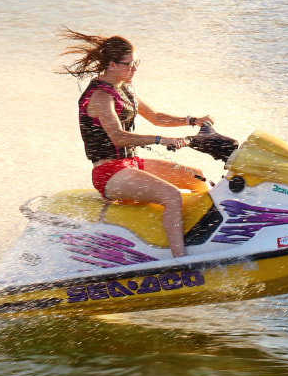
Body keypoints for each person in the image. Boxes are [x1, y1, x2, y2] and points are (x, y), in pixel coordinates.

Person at [59, 28, 213, 258]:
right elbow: (119, 137)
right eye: (129, 64)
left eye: (136, 62)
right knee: (172, 195)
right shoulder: (100, 97)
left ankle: (205, 238)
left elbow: (157, 117)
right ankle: (180, 260)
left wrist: (192, 121)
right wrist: (160, 140)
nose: (134, 68)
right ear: (111, 64)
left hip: (131, 164)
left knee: (196, 177)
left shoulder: (125, 89)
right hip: (109, 173)